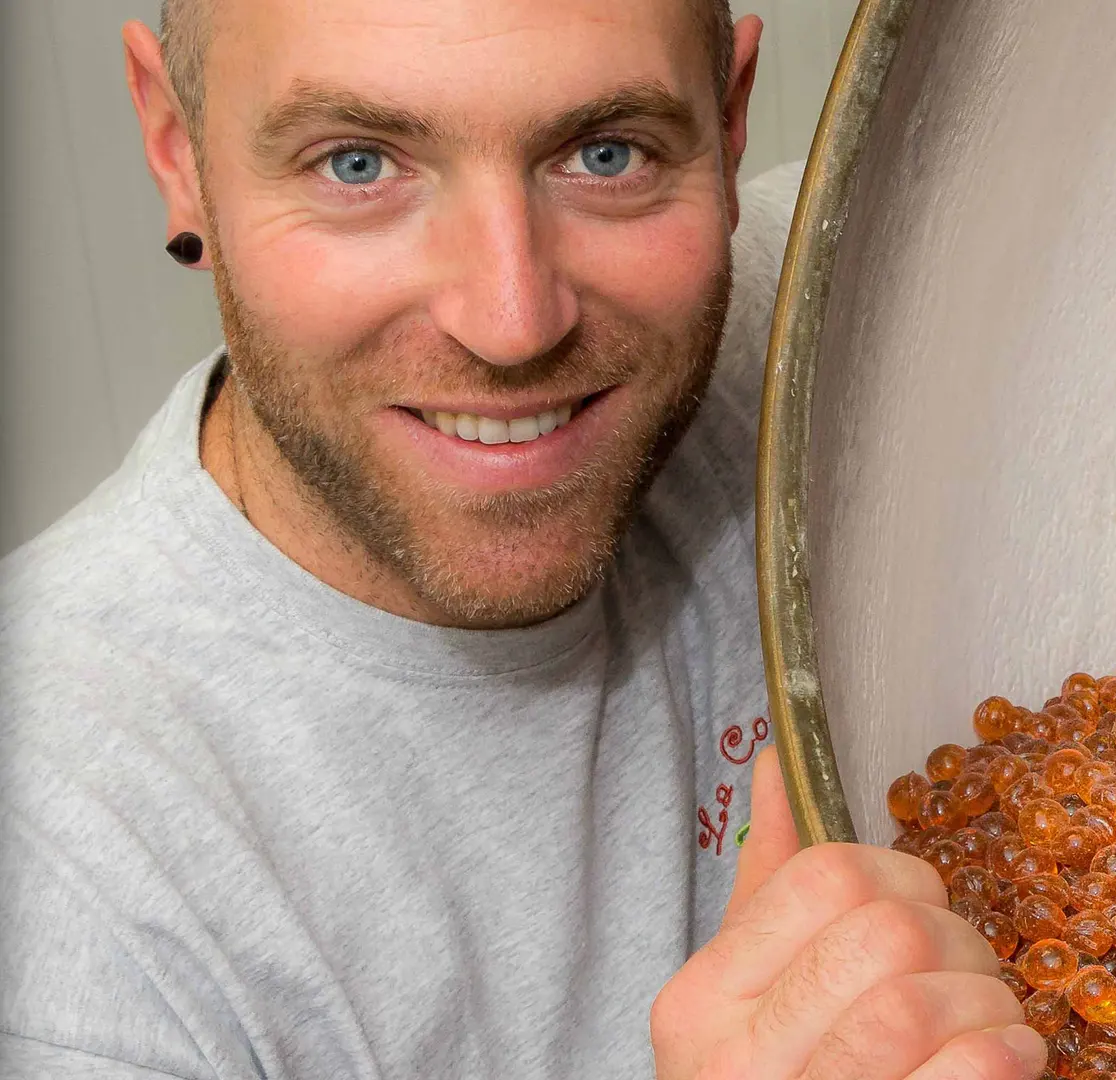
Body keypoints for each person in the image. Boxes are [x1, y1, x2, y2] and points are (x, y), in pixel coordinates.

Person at [0, 1, 1046, 1077]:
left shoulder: (836, 322)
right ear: (178, 149)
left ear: (729, 128)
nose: (510, 322)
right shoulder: (65, 900)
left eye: (607, 154)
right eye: (357, 164)